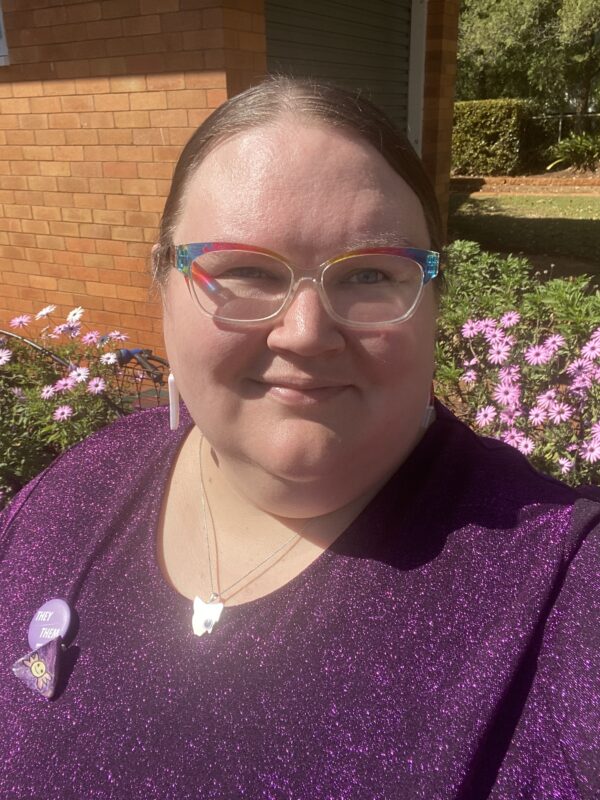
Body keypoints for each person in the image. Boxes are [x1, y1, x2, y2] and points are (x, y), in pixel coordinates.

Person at [1, 77, 599, 800]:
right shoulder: (69, 497)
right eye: (246, 270)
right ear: (163, 282)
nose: (307, 333)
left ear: (434, 299)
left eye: (372, 273)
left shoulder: (558, 589)